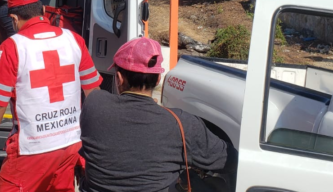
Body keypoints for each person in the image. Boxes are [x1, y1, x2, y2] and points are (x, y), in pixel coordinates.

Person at [0, 0, 103, 191]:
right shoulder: (74, 40)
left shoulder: (11, 47)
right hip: (70, 145)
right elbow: (94, 96)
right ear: (43, 11)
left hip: (31, 150)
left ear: (13, 19)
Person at [79, 37, 234, 192]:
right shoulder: (181, 124)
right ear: (158, 79)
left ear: (119, 79)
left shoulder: (94, 105)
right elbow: (229, 160)